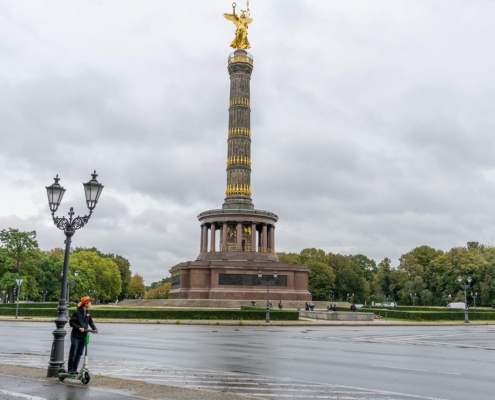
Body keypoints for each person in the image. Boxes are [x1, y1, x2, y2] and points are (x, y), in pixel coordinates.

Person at [68, 296, 98, 374]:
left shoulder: (88, 313)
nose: (91, 303)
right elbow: (71, 322)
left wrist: (94, 328)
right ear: (85, 303)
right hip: (75, 335)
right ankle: (70, 369)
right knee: (73, 353)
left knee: (79, 353)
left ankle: (75, 369)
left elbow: (90, 322)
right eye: (89, 302)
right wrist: (79, 328)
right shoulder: (77, 312)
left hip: (83, 335)